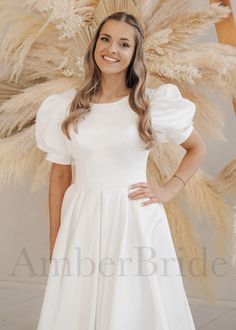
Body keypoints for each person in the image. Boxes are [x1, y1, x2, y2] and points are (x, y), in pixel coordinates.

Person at [35, 11, 206, 330]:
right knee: (80, 301)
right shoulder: (66, 106)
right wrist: (56, 234)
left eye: (123, 43)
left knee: (133, 302)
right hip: (82, 217)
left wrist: (169, 189)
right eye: (105, 39)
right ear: (94, 45)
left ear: (134, 54)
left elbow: (197, 148)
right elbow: (60, 175)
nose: (111, 49)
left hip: (134, 219)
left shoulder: (148, 106)